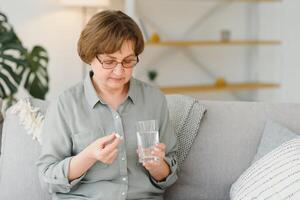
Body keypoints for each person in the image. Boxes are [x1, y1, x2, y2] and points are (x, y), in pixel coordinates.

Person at [36, 10, 178, 200]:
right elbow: (48, 179)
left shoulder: (154, 100)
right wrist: (88, 156)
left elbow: (170, 176)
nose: (119, 71)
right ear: (90, 57)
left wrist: (157, 166)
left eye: (128, 61)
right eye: (109, 61)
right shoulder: (65, 104)